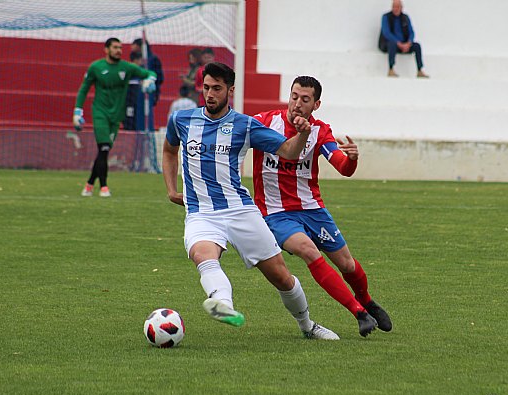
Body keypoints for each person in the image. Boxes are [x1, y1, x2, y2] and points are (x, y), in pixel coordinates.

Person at [162, 62, 339, 340]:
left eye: (217, 89)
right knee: (203, 255)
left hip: (240, 211)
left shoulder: (245, 125)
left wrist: (303, 132)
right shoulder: (181, 120)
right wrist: (172, 189)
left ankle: (308, 325)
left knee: (281, 276)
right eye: (206, 87)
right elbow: (169, 150)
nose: (210, 94)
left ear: (230, 90)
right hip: (201, 213)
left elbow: (289, 152)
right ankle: (224, 305)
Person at [252, 76, 392, 337]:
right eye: (294, 96)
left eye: (305, 100)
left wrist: (351, 159)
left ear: (316, 104)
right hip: (276, 214)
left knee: (347, 265)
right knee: (308, 251)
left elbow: (342, 166)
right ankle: (358, 313)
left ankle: (367, 301)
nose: (297, 104)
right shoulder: (264, 122)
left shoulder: (319, 131)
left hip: (313, 210)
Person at [73, 37, 157, 197]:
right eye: (115, 47)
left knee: (103, 151)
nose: (119, 50)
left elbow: (150, 73)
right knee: (104, 148)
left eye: (120, 47)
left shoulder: (126, 67)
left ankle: (90, 184)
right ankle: (104, 187)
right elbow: (84, 89)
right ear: (106, 49)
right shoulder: (96, 67)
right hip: (100, 113)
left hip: (117, 116)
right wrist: (77, 111)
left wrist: (149, 81)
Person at [379, 0, 428, 78]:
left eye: (398, 7)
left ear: (401, 8)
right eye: (394, 7)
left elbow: (411, 32)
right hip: (389, 44)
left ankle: (419, 70)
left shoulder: (405, 18)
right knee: (392, 44)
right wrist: (398, 43)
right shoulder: (386, 17)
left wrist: (408, 43)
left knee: (417, 46)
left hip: (403, 45)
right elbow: (386, 33)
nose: (396, 9)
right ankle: (391, 69)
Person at [131, 38, 164, 105]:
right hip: (136, 93)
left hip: (149, 92)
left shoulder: (153, 59)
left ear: (139, 46)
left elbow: (159, 78)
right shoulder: (135, 58)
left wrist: (147, 84)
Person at [122, 50, 143, 131]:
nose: (141, 62)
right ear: (136, 60)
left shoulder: (141, 71)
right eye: (140, 60)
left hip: (136, 102)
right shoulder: (129, 70)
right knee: (129, 117)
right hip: (129, 101)